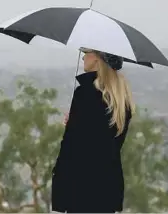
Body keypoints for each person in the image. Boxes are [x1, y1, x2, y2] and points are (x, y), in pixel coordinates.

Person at [51, 47, 135, 213]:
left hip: (81, 189)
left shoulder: (85, 94)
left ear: (97, 58)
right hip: (108, 189)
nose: (83, 58)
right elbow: (108, 144)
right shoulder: (121, 100)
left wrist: (59, 196)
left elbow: (71, 149)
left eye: (86, 54)